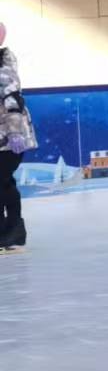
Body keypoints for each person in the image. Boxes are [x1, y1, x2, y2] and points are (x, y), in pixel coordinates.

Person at [0, 22, 36, 253]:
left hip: (8, 141)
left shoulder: (4, 68)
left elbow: (13, 102)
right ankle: (11, 235)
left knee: (2, 185)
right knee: (4, 185)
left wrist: (14, 132)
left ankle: (10, 234)